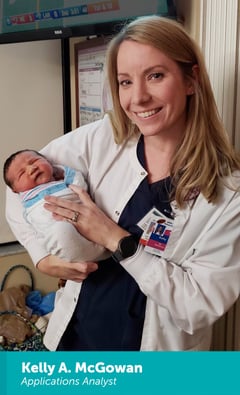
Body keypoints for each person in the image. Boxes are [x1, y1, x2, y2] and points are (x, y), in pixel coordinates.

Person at [5, 15, 240, 351]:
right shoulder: (103, 138)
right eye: (125, 82)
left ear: (191, 79)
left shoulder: (229, 193)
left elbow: (198, 306)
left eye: (155, 76)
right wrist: (41, 256)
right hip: (73, 341)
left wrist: (116, 240)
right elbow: (18, 180)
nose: (138, 98)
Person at [3, 149, 106, 263]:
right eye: (21, 173)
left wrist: (61, 171)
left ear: (48, 162)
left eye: (34, 161)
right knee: (61, 231)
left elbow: (80, 186)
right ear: (15, 190)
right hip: (57, 232)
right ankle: (91, 254)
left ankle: (100, 249)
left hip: (87, 223)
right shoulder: (25, 197)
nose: (31, 169)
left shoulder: (64, 181)